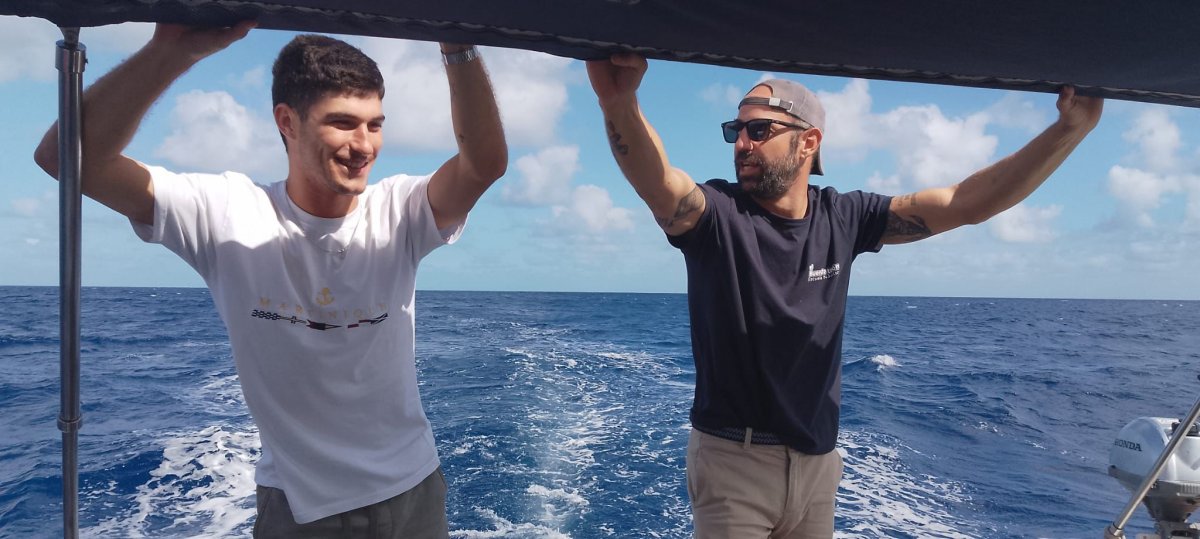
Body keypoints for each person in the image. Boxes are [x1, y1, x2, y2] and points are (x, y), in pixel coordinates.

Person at [587, 54, 1101, 538]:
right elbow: (661, 184)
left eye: (759, 129)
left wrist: (1067, 132)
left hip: (817, 467)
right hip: (733, 465)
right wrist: (619, 103)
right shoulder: (718, 216)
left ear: (808, 142)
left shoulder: (844, 218)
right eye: (735, 130)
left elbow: (964, 203)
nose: (742, 143)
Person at [34, 23, 507, 538]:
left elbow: (483, 165)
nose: (363, 145)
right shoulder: (227, 213)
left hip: (415, 490)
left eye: (375, 124)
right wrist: (173, 48)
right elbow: (70, 160)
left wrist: (456, 43)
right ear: (288, 121)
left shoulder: (402, 210)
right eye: (343, 123)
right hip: (302, 508)